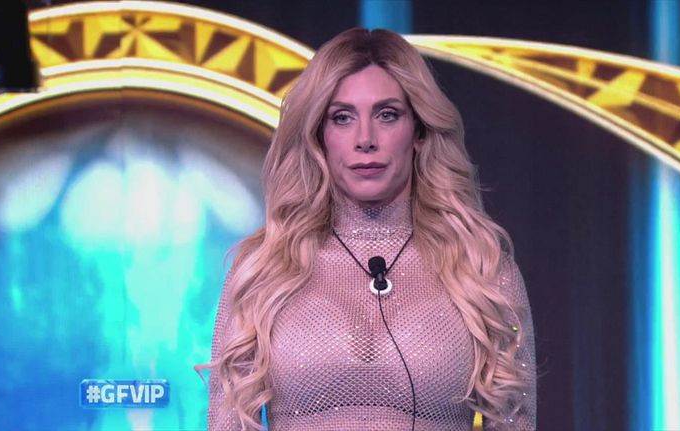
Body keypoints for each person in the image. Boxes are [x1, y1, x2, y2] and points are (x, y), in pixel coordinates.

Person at [200, 28, 536, 431]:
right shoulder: (264, 270)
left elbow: (515, 422)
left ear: (419, 132)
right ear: (319, 136)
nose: (365, 139)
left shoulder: (481, 269)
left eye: (387, 115)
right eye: (342, 118)